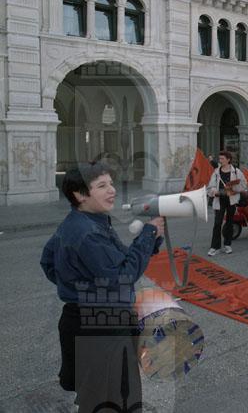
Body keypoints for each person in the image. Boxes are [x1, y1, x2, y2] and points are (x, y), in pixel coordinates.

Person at [40, 162, 164, 412]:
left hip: (84, 321)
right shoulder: (89, 232)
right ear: (80, 195)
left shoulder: (81, 222)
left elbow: (48, 262)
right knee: (114, 400)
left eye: (111, 183)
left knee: (98, 397)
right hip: (102, 330)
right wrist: (147, 235)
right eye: (102, 186)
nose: (112, 190)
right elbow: (123, 276)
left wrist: (78, 287)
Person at [207, 151, 247, 256]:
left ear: (228, 160)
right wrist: (214, 191)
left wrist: (234, 189)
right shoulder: (216, 172)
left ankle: (227, 244)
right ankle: (215, 247)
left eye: (222, 159)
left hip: (231, 199)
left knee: (229, 222)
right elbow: (210, 186)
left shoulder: (236, 172)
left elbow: (243, 185)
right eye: (219, 159)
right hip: (219, 199)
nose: (220, 161)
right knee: (217, 223)